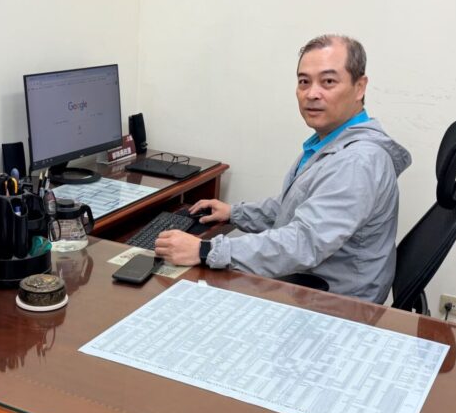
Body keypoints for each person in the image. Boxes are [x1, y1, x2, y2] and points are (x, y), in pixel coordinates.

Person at [154, 35, 411, 303]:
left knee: (183, 299)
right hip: (314, 282)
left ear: (359, 87)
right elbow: (295, 208)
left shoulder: (357, 161)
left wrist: (205, 250)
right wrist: (234, 213)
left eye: (328, 82)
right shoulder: (330, 142)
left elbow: (303, 243)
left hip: (336, 304)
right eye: (304, 82)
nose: (312, 93)